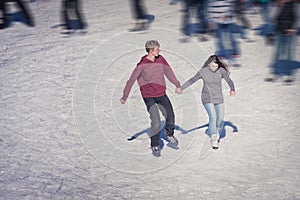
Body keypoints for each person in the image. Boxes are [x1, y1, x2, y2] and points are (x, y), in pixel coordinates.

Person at [120, 40, 182, 157]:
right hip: (149, 97)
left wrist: (177, 84)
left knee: (170, 115)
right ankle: (155, 144)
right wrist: (125, 96)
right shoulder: (141, 66)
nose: (159, 51)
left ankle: (169, 133)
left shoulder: (161, 59)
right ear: (151, 51)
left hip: (161, 93)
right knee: (156, 122)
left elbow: (169, 72)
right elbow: (131, 80)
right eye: (157, 49)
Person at [178, 55, 235, 149]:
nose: (214, 68)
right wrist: (182, 88)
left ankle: (214, 129)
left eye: (216, 66)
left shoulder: (221, 71)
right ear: (208, 64)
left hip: (218, 97)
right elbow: (192, 80)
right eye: (212, 66)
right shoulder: (203, 71)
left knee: (220, 118)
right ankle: (213, 138)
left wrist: (232, 89)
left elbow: (229, 81)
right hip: (207, 97)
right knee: (213, 117)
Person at [264, 0, 300, 83]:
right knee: (277, 52)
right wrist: (276, 6)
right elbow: (271, 17)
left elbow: (298, 17)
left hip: (291, 31)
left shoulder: (295, 4)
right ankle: (274, 73)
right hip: (279, 30)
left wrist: (294, 28)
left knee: (289, 52)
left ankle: (288, 74)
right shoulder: (276, 4)